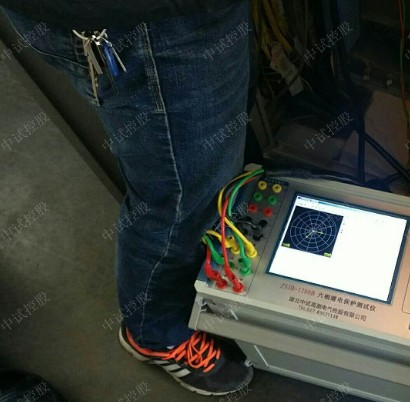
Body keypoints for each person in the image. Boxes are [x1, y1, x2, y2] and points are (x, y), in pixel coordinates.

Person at [0, 0, 254, 396]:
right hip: (148, 26)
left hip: (160, 22)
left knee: (204, 174)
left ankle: (198, 282)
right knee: (179, 201)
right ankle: (154, 333)